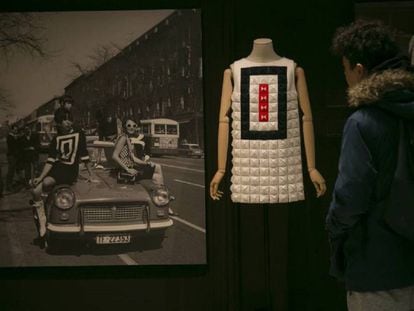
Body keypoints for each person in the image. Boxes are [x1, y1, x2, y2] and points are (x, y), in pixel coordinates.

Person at [325, 20, 414, 310]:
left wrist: (334, 229)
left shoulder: (362, 123)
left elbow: (350, 196)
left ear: (360, 70)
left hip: (376, 266)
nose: (346, 77)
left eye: (346, 69)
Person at [31, 115, 92, 239]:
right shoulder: (56, 139)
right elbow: (50, 160)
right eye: (65, 120)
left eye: (70, 119)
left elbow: (84, 154)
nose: (69, 122)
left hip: (70, 171)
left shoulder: (79, 134)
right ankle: (43, 221)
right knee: (36, 189)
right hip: (58, 168)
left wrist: (91, 174)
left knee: (49, 185)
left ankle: (50, 215)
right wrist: (41, 177)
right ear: (59, 123)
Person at [112, 119, 177, 216]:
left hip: (131, 168)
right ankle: (163, 198)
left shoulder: (127, 139)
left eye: (134, 126)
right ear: (125, 127)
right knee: (157, 171)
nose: (131, 128)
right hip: (125, 173)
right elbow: (114, 156)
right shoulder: (123, 138)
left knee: (156, 169)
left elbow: (133, 158)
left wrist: (146, 163)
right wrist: (127, 169)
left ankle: (162, 197)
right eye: (129, 125)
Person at [5, 124, 20, 193]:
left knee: (12, 170)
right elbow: (13, 147)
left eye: (16, 130)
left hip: (13, 155)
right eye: (15, 130)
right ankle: (8, 186)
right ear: (12, 130)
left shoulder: (13, 136)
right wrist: (16, 139)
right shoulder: (10, 137)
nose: (16, 131)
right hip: (11, 156)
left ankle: (9, 185)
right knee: (11, 171)